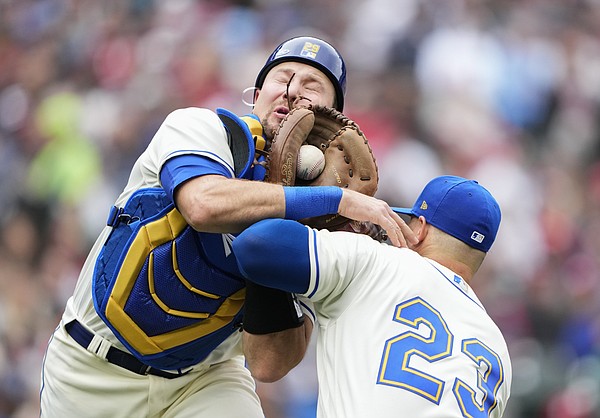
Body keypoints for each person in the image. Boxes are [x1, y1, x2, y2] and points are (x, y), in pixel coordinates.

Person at [39, 35, 416, 418]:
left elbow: (269, 364)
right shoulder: (203, 128)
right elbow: (202, 205)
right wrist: (326, 201)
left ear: (335, 121)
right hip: (92, 368)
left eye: (312, 86)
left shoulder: (321, 229)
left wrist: (278, 251)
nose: (294, 91)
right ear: (255, 94)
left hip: (204, 381)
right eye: (284, 76)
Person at [233, 175, 513, 417]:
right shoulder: (498, 349)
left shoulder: (379, 262)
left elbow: (256, 245)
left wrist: (326, 199)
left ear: (420, 229)